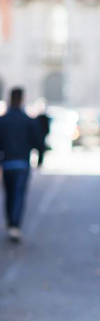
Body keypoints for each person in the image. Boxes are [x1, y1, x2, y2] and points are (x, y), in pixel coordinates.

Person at [0, 87, 42, 242]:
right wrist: (40, 159)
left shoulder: (3, 120)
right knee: (18, 194)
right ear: (22, 99)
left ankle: (11, 222)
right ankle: (15, 225)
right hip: (22, 164)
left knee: (9, 195)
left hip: (7, 163)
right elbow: (38, 141)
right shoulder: (28, 120)